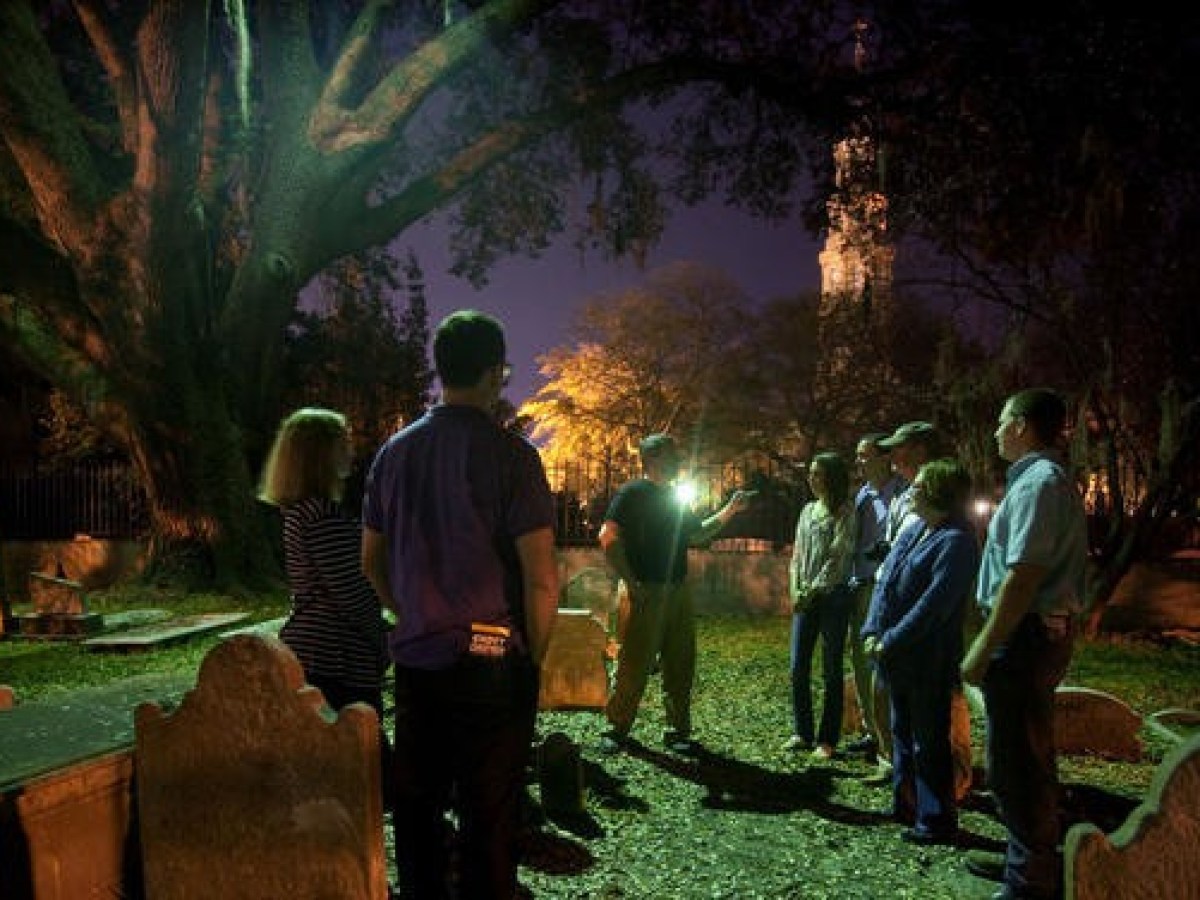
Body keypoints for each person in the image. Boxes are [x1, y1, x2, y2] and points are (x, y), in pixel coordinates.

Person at [361, 310, 559, 900]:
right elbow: (541, 576)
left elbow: (371, 560)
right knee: (489, 817)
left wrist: (413, 613)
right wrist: (535, 659)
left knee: (418, 811)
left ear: (440, 369)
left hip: (419, 660)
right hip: (492, 657)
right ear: (496, 372)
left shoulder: (391, 457)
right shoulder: (513, 458)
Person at [961, 389, 1087, 900]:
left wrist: (983, 647)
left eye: (999, 422)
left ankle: (1030, 881)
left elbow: (1024, 576)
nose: (993, 432)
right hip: (1027, 632)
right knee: (1018, 754)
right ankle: (1024, 859)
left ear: (1020, 425)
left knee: (1019, 761)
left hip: (1025, 635)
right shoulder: (1036, 481)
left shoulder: (1040, 484)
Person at [597, 433, 753, 756]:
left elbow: (696, 534)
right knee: (634, 662)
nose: (678, 463)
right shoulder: (632, 494)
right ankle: (616, 728)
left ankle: (677, 731)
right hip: (646, 591)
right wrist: (632, 583)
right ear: (652, 460)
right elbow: (607, 537)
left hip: (678, 590)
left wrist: (730, 511)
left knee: (681, 662)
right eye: (672, 457)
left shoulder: (673, 499)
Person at [257, 407, 392, 756]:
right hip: (336, 656)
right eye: (342, 443)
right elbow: (351, 592)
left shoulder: (301, 511)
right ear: (319, 454)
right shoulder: (321, 517)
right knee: (363, 763)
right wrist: (384, 639)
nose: (351, 450)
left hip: (317, 651)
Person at [862, 458, 979, 845]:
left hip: (927, 659)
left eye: (920, 484)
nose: (911, 489)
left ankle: (936, 818)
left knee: (929, 740)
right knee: (900, 731)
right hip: (896, 655)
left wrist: (889, 639)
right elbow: (886, 582)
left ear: (937, 492)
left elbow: (934, 606)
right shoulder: (915, 530)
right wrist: (872, 628)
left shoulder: (957, 541)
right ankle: (905, 804)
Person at [866, 419, 938, 783]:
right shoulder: (904, 493)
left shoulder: (931, 496)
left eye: (900, 447)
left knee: (907, 696)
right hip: (890, 601)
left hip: (907, 608)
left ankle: (913, 775)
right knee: (884, 689)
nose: (892, 455)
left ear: (921, 452)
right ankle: (894, 763)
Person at [784, 451, 856, 761]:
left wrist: (812, 590)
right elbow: (798, 554)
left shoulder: (845, 512)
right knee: (798, 665)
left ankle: (827, 738)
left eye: (818, 474)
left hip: (832, 598)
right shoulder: (807, 511)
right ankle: (802, 731)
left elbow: (838, 558)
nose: (812, 479)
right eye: (810, 473)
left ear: (832, 478)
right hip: (806, 597)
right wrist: (794, 587)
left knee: (831, 668)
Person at [846, 433, 905, 757]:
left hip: (886, 587)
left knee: (884, 660)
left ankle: (891, 736)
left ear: (884, 458)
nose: (859, 462)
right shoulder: (862, 497)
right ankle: (872, 731)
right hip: (862, 584)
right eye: (858, 455)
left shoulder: (902, 493)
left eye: (864, 455)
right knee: (860, 660)